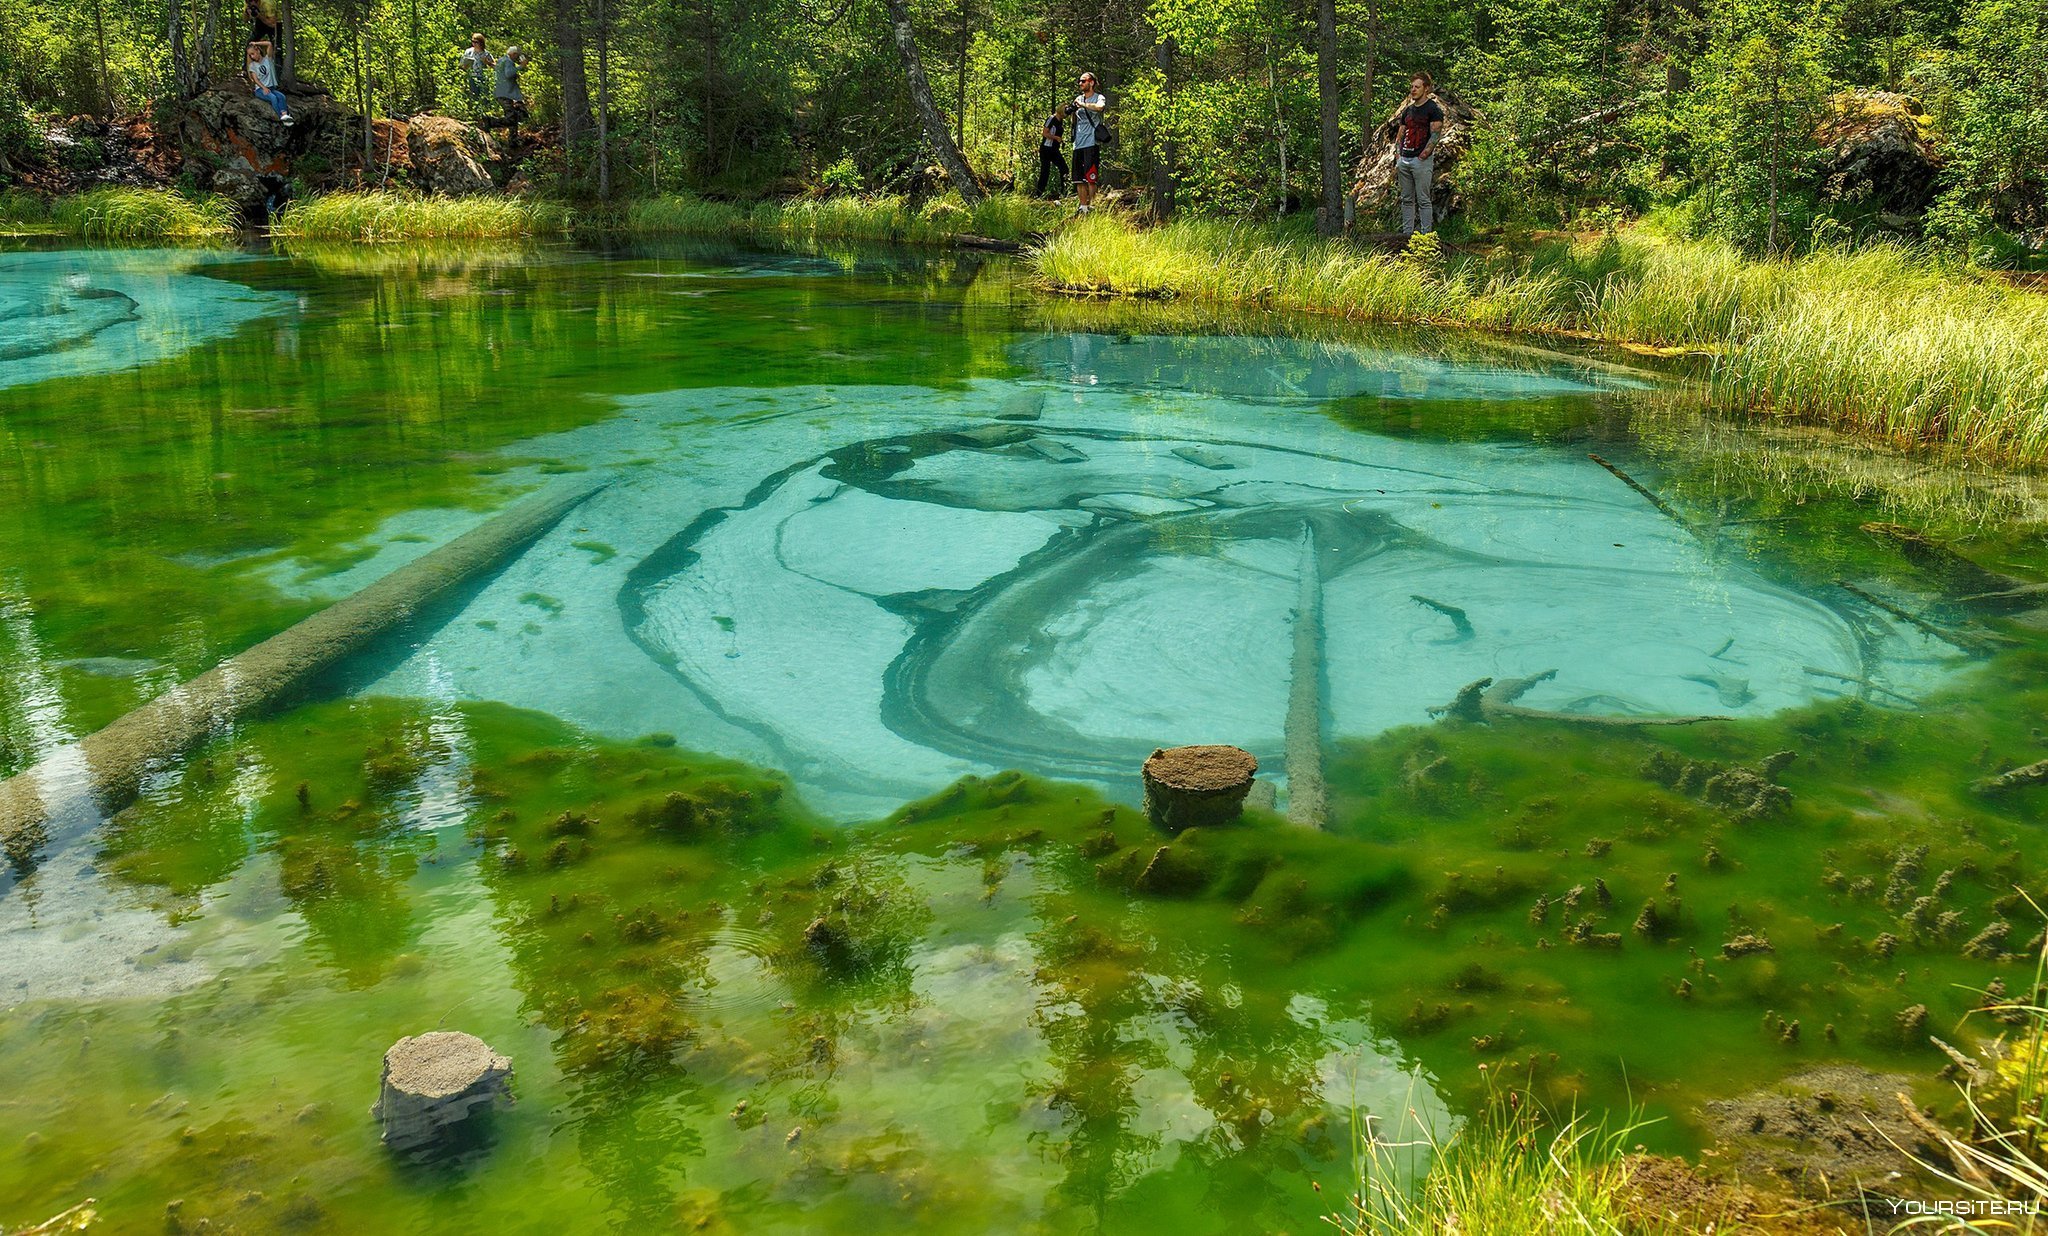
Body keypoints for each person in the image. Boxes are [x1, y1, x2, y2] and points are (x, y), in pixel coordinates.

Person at [1393, 72, 1444, 237]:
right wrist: (1398, 155)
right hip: (1404, 159)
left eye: (1417, 87)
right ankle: (1407, 235)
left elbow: (1436, 135)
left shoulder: (1433, 110)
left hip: (1421, 161)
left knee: (1423, 199)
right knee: (1406, 199)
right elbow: (1400, 133)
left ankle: (1425, 236)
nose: (1413, 90)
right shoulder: (1407, 111)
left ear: (1426, 89)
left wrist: (1424, 154)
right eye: (1412, 87)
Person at [1070, 72, 1106, 212]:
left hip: (1091, 142)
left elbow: (1099, 108)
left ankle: (1093, 206)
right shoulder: (1078, 98)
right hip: (1078, 143)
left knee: (1091, 177)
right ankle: (1083, 206)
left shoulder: (1099, 97)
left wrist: (1083, 105)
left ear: (1091, 83)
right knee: (1078, 178)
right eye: (1079, 81)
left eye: (1083, 81)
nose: (1080, 84)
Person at [246, 40, 292, 125]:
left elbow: (269, 44)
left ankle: (285, 115)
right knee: (273, 98)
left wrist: (255, 43)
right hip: (260, 90)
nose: (252, 56)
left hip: (270, 88)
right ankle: (283, 118)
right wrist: (264, 88)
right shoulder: (252, 65)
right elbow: (256, 80)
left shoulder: (268, 59)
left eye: (253, 53)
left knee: (281, 97)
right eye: (250, 55)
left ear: (258, 50)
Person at [1033, 103, 1070, 199]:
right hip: (1046, 149)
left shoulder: (1060, 121)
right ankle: (1038, 194)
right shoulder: (1051, 119)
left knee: (1064, 169)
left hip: (1054, 150)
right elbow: (1044, 133)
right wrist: (1055, 138)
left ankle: (1064, 192)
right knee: (1045, 172)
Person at [493, 44, 529, 118]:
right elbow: (508, 74)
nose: (517, 58)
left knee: (510, 114)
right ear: (514, 54)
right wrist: (521, 66)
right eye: (517, 55)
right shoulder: (508, 61)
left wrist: (515, 75)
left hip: (500, 92)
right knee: (511, 116)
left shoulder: (501, 59)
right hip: (506, 93)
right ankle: (491, 123)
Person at [459, 34, 495, 107]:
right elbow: (461, 66)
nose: (474, 44)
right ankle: (474, 112)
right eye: (473, 41)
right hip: (471, 77)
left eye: (476, 42)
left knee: (485, 97)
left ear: (481, 43)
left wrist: (487, 62)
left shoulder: (486, 54)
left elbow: (495, 66)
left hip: (483, 78)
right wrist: (465, 66)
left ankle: (485, 112)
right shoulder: (468, 52)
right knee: (473, 96)